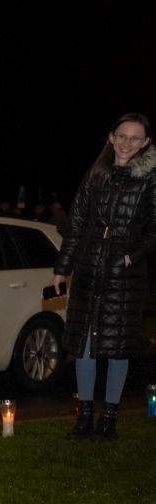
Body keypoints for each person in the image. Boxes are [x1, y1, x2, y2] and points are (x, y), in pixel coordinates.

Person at [52, 111, 156, 441]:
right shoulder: (95, 173)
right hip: (87, 268)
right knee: (84, 343)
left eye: (135, 138)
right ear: (111, 137)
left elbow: (153, 231)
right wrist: (62, 268)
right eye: (122, 136)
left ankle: (109, 420)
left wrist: (129, 256)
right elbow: (77, 224)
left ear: (146, 143)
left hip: (125, 276)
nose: (127, 143)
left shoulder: (150, 178)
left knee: (116, 347)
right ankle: (84, 417)